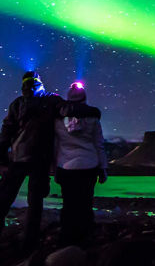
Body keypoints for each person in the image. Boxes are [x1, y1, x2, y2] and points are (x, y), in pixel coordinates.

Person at [0, 71, 64, 250]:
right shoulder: (51, 100)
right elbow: (66, 110)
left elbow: (8, 127)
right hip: (41, 158)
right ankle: (30, 241)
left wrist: (3, 149)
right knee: (35, 200)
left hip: (19, 156)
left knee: (5, 195)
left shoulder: (18, 103)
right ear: (39, 82)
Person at [53, 81, 107, 245]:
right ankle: (85, 238)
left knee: (68, 203)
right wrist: (103, 168)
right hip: (89, 166)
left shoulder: (57, 120)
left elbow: (55, 146)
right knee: (85, 203)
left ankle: (67, 238)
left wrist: (54, 169)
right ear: (84, 98)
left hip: (66, 167)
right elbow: (99, 144)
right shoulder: (93, 119)